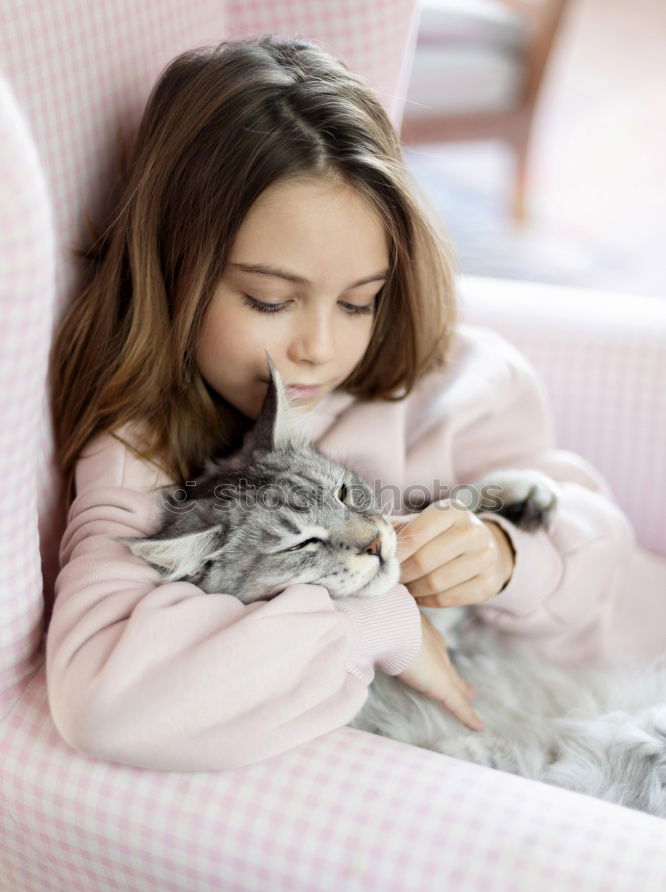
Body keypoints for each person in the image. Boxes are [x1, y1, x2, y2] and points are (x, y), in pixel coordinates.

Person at [46, 35, 634, 771]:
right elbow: (104, 704)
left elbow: (612, 562)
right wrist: (377, 619)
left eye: (360, 302)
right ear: (173, 275)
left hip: (609, 684)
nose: (319, 348)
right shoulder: (141, 452)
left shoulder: (458, 379)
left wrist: (510, 555)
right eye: (269, 300)